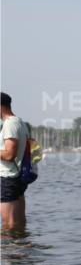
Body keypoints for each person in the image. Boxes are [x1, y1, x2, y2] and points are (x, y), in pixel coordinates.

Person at [1, 92, 30, 231]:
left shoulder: (10, 124)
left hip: (8, 178)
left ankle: (8, 252)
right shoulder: (20, 122)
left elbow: (9, 154)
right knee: (19, 222)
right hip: (17, 177)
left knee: (8, 225)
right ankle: (21, 250)